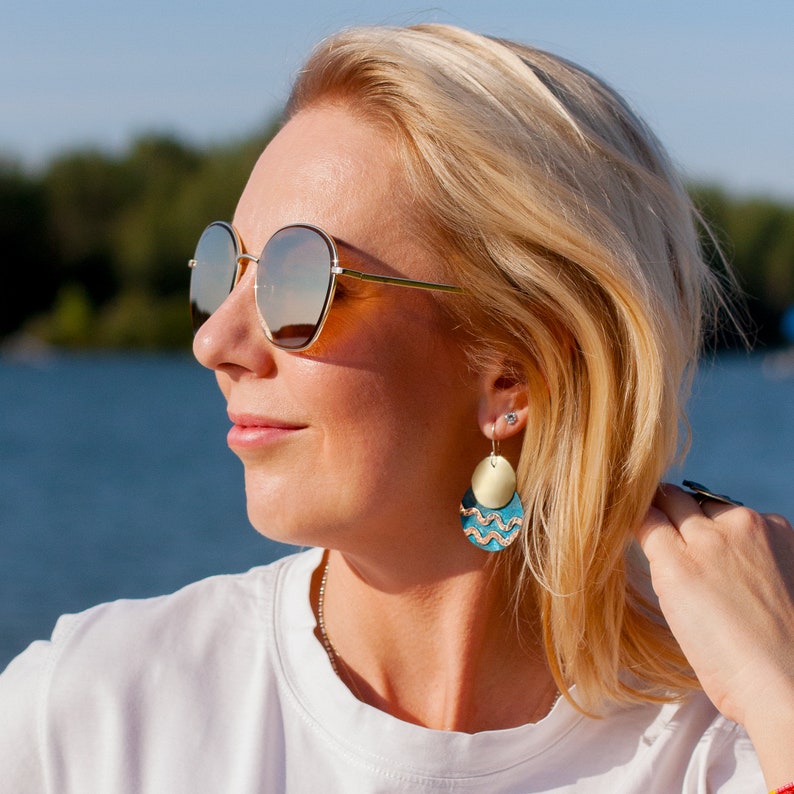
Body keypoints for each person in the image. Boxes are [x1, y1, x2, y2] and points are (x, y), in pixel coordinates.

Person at [1, 23, 793, 792]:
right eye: (224, 268)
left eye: (299, 280)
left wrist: (779, 692)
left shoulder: (731, 732)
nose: (216, 340)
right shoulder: (94, 717)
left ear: (513, 373)